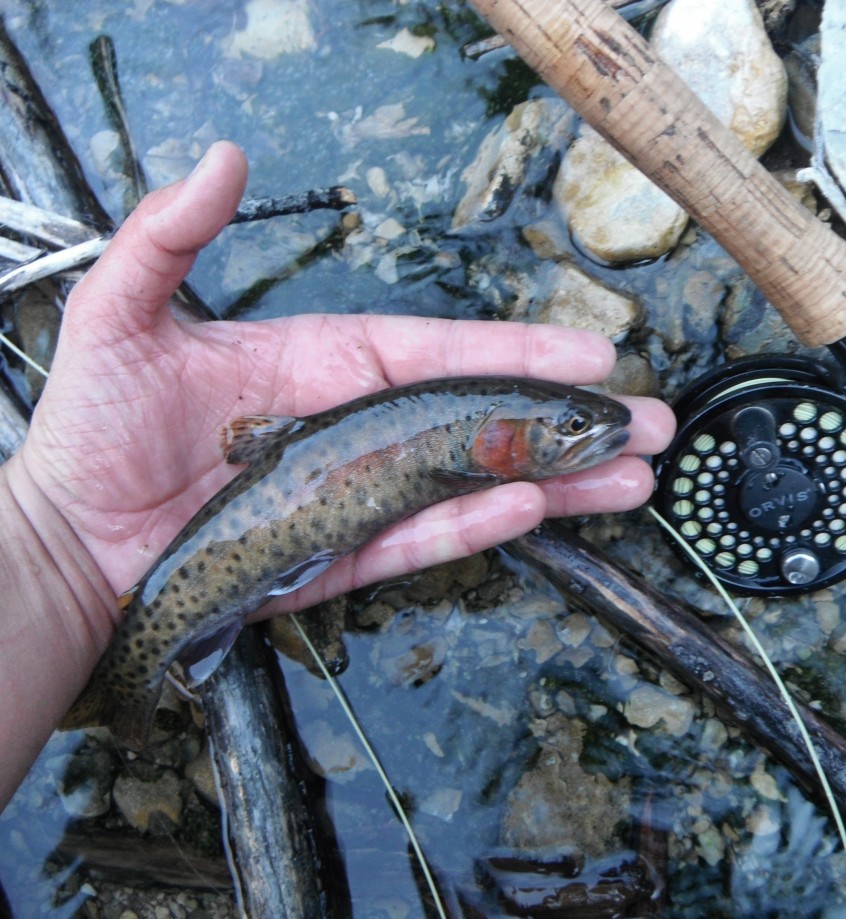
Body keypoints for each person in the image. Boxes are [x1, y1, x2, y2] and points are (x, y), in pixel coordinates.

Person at [0, 141, 674, 809]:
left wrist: (45, 539)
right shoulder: (474, 437)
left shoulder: (472, 437)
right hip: (223, 550)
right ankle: (129, 676)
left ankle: (133, 670)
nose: (586, 434)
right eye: (571, 427)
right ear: (499, 439)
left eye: (574, 427)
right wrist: (48, 538)